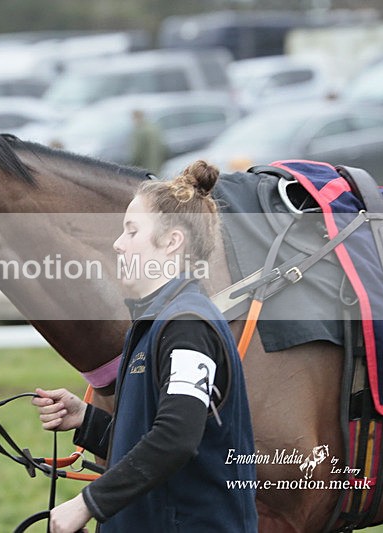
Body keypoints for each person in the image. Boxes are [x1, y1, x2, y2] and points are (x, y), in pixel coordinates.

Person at [33, 161, 258, 532]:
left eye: (132, 231)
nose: (118, 244)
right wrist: (87, 420)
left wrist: (88, 504)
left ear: (172, 242)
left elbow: (177, 439)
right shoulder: (158, 322)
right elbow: (157, 438)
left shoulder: (187, 327)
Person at [130, 109, 168, 175]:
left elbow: (137, 153)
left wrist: (132, 167)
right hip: (157, 166)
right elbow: (164, 148)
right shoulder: (154, 128)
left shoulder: (140, 131)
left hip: (145, 168)